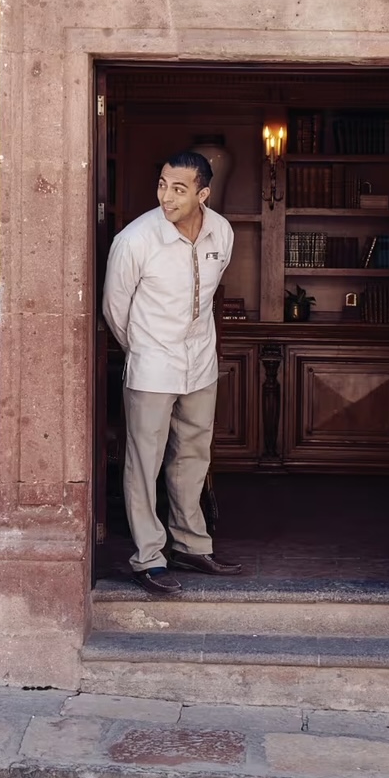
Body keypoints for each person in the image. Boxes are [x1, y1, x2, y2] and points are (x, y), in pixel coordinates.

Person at [102, 150, 243, 595]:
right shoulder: (134, 240)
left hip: (201, 362)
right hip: (151, 365)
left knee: (193, 456)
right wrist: (142, 349)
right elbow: (115, 310)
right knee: (143, 463)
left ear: (203, 193)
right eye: (162, 184)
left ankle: (190, 543)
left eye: (179, 189)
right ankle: (148, 556)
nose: (166, 196)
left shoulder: (222, 230)